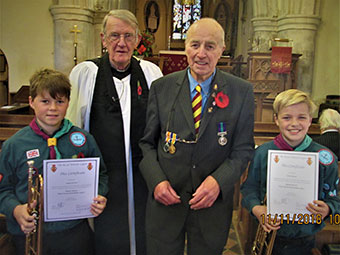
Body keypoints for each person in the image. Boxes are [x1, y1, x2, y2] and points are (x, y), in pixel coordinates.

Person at [139, 18, 255, 255]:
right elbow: (147, 144)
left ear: (222, 50)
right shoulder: (162, 87)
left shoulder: (241, 91)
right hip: (166, 202)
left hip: (211, 207)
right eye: (195, 45)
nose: (201, 54)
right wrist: (156, 180)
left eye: (210, 46)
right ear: (186, 47)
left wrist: (218, 182)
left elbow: (243, 149)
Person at [65, 9, 163, 255]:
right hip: (103, 175)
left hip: (143, 174)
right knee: (107, 236)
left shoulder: (151, 74)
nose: (121, 43)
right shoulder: (86, 74)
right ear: (103, 39)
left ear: (138, 40)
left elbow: (162, 126)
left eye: (129, 36)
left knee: (143, 233)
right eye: (115, 35)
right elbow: (73, 126)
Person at [0, 68, 108, 255]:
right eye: (45, 101)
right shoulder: (14, 145)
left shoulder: (83, 139)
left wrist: (99, 195)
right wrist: (15, 210)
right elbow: (3, 189)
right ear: (31, 102)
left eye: (60, 101)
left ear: (68, 103)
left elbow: (102, 175)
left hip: (74, 232)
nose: (53, 108)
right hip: (28, 233)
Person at [241, 89, 340, 255]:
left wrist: (328, 209)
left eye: (301, 117)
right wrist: (257, 208)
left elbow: (335, 197)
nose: (294, 123)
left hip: (306, 237)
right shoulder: (263, 153)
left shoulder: (325, 157)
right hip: (268, 235)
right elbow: (249, 188)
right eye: (287, 117)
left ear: (310, 120)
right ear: (276, 120)